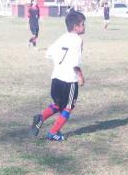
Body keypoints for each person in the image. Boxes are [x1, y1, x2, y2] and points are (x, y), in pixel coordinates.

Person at [30, 10, 86, 141]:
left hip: (56, 78)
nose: (84, 27)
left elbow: (48, 53)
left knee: (57, 104)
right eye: (83, 24)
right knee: (68, 106)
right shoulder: (78, 40)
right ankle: (53, 132)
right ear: (76, 26)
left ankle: (41, 118)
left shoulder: (63, 37)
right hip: (69, 80)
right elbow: (75, 63)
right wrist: (80, 76)